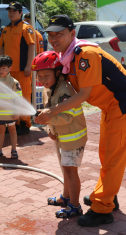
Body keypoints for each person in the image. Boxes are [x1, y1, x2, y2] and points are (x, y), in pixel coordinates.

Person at [35, 14, 126, 227]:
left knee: (113, 157)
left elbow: (82, 95)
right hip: (109, 106)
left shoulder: (85, 55)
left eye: (59, 34)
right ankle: (109, 194)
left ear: (72, 34)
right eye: (51, 35)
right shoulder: (67, 56)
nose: (54, 39)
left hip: (122, 104)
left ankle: (102, 208)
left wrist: (53, 111)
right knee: (106, 153)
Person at [33, 51, 87, 218]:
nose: (42, 80)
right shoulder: (48, 89)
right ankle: (66, 197)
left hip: (73, 138)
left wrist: (49, 120)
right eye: (39, 76)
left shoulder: (64, 90)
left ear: (58, 72)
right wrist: (50, 129)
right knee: (65, 170)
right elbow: (50, 112)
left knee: (71, 172)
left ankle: (75, 206)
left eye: (46, 75)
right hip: (62, 138)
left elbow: (66, 116)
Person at [0, 1, 35, 134]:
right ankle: (14, 122)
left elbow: (32, 46)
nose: (11, 14)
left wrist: (29, 66)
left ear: (20, 13)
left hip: (22, 70)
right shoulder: (5, 29)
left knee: (24, 95)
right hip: (8, 71)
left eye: (14, 11)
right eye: (10, 11)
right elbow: (1, 47)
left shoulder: (26, 28)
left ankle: (25, 123)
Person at [0, 56, 23, 159]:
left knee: (12, 131)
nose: (1, 70)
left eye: (3, 68)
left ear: (9, 69)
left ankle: (14, 150)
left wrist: (17, 112)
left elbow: (18, 99)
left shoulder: (14, 83)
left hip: (11, 115)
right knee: (1, 131)